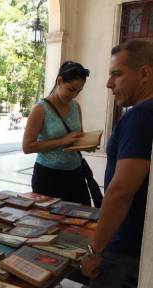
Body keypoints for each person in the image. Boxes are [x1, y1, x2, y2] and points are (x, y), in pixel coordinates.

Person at [80, 39, 153, 288]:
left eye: (116, 74)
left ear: (144, 73)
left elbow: (122, 190)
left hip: (124, 250)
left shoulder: (140, 115)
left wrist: (96, 250)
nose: (109, 83)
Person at [22, 61, 91, 205]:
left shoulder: (76, 107)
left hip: (75, 173)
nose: (74, 95)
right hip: (48, 176)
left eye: (78, 91)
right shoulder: (40, 109)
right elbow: (27, 147)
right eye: (71, 89)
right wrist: (61, 141)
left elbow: (78, 135)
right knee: (49, 222)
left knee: (81, 220)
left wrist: (86, 144)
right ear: (60, 81)